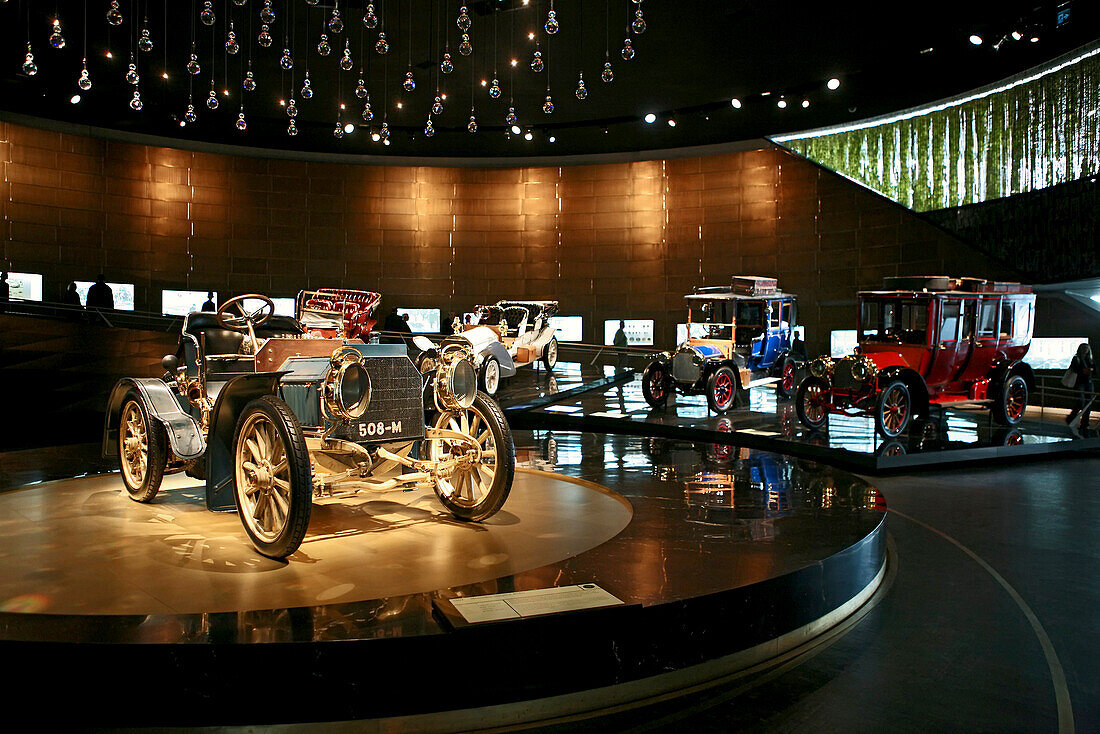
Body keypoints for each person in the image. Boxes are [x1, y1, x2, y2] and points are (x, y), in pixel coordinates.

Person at [1065, 342, 1094, 431]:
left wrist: (1089, 370)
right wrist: (1084, 370)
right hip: (1079, 383)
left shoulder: (1090, 359)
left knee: (1088, 404)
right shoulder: (1076, 358)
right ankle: (1071, 418)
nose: (1085, 350)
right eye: (1084, 348)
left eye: (1087, 348)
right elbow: (1076, 369)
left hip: (1088, 383)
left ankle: (1085, 423)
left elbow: (1095, 370)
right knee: (1080, 402)